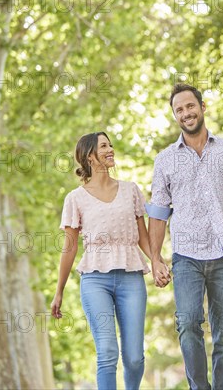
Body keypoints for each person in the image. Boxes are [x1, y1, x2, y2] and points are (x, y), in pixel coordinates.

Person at [146, 83, 223, 390]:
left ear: (202, 107)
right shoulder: (165, 160)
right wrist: (155, 259)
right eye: (179, 110)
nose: (186, 113)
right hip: (185, 257)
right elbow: (157, 213)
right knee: (187, 324)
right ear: (175, 116)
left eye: (190, 106)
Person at [50, 132, 170, 390]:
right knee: (106, 352)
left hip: (131, 278)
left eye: (111, 145)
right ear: (89, 156)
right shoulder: (75, 198)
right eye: (104, 146)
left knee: (135, 358)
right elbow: (69, 248)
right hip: (95, 281)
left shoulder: (130, 190)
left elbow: (142, 236)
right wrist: (58, 291)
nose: (110, 149)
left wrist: (157, 261)